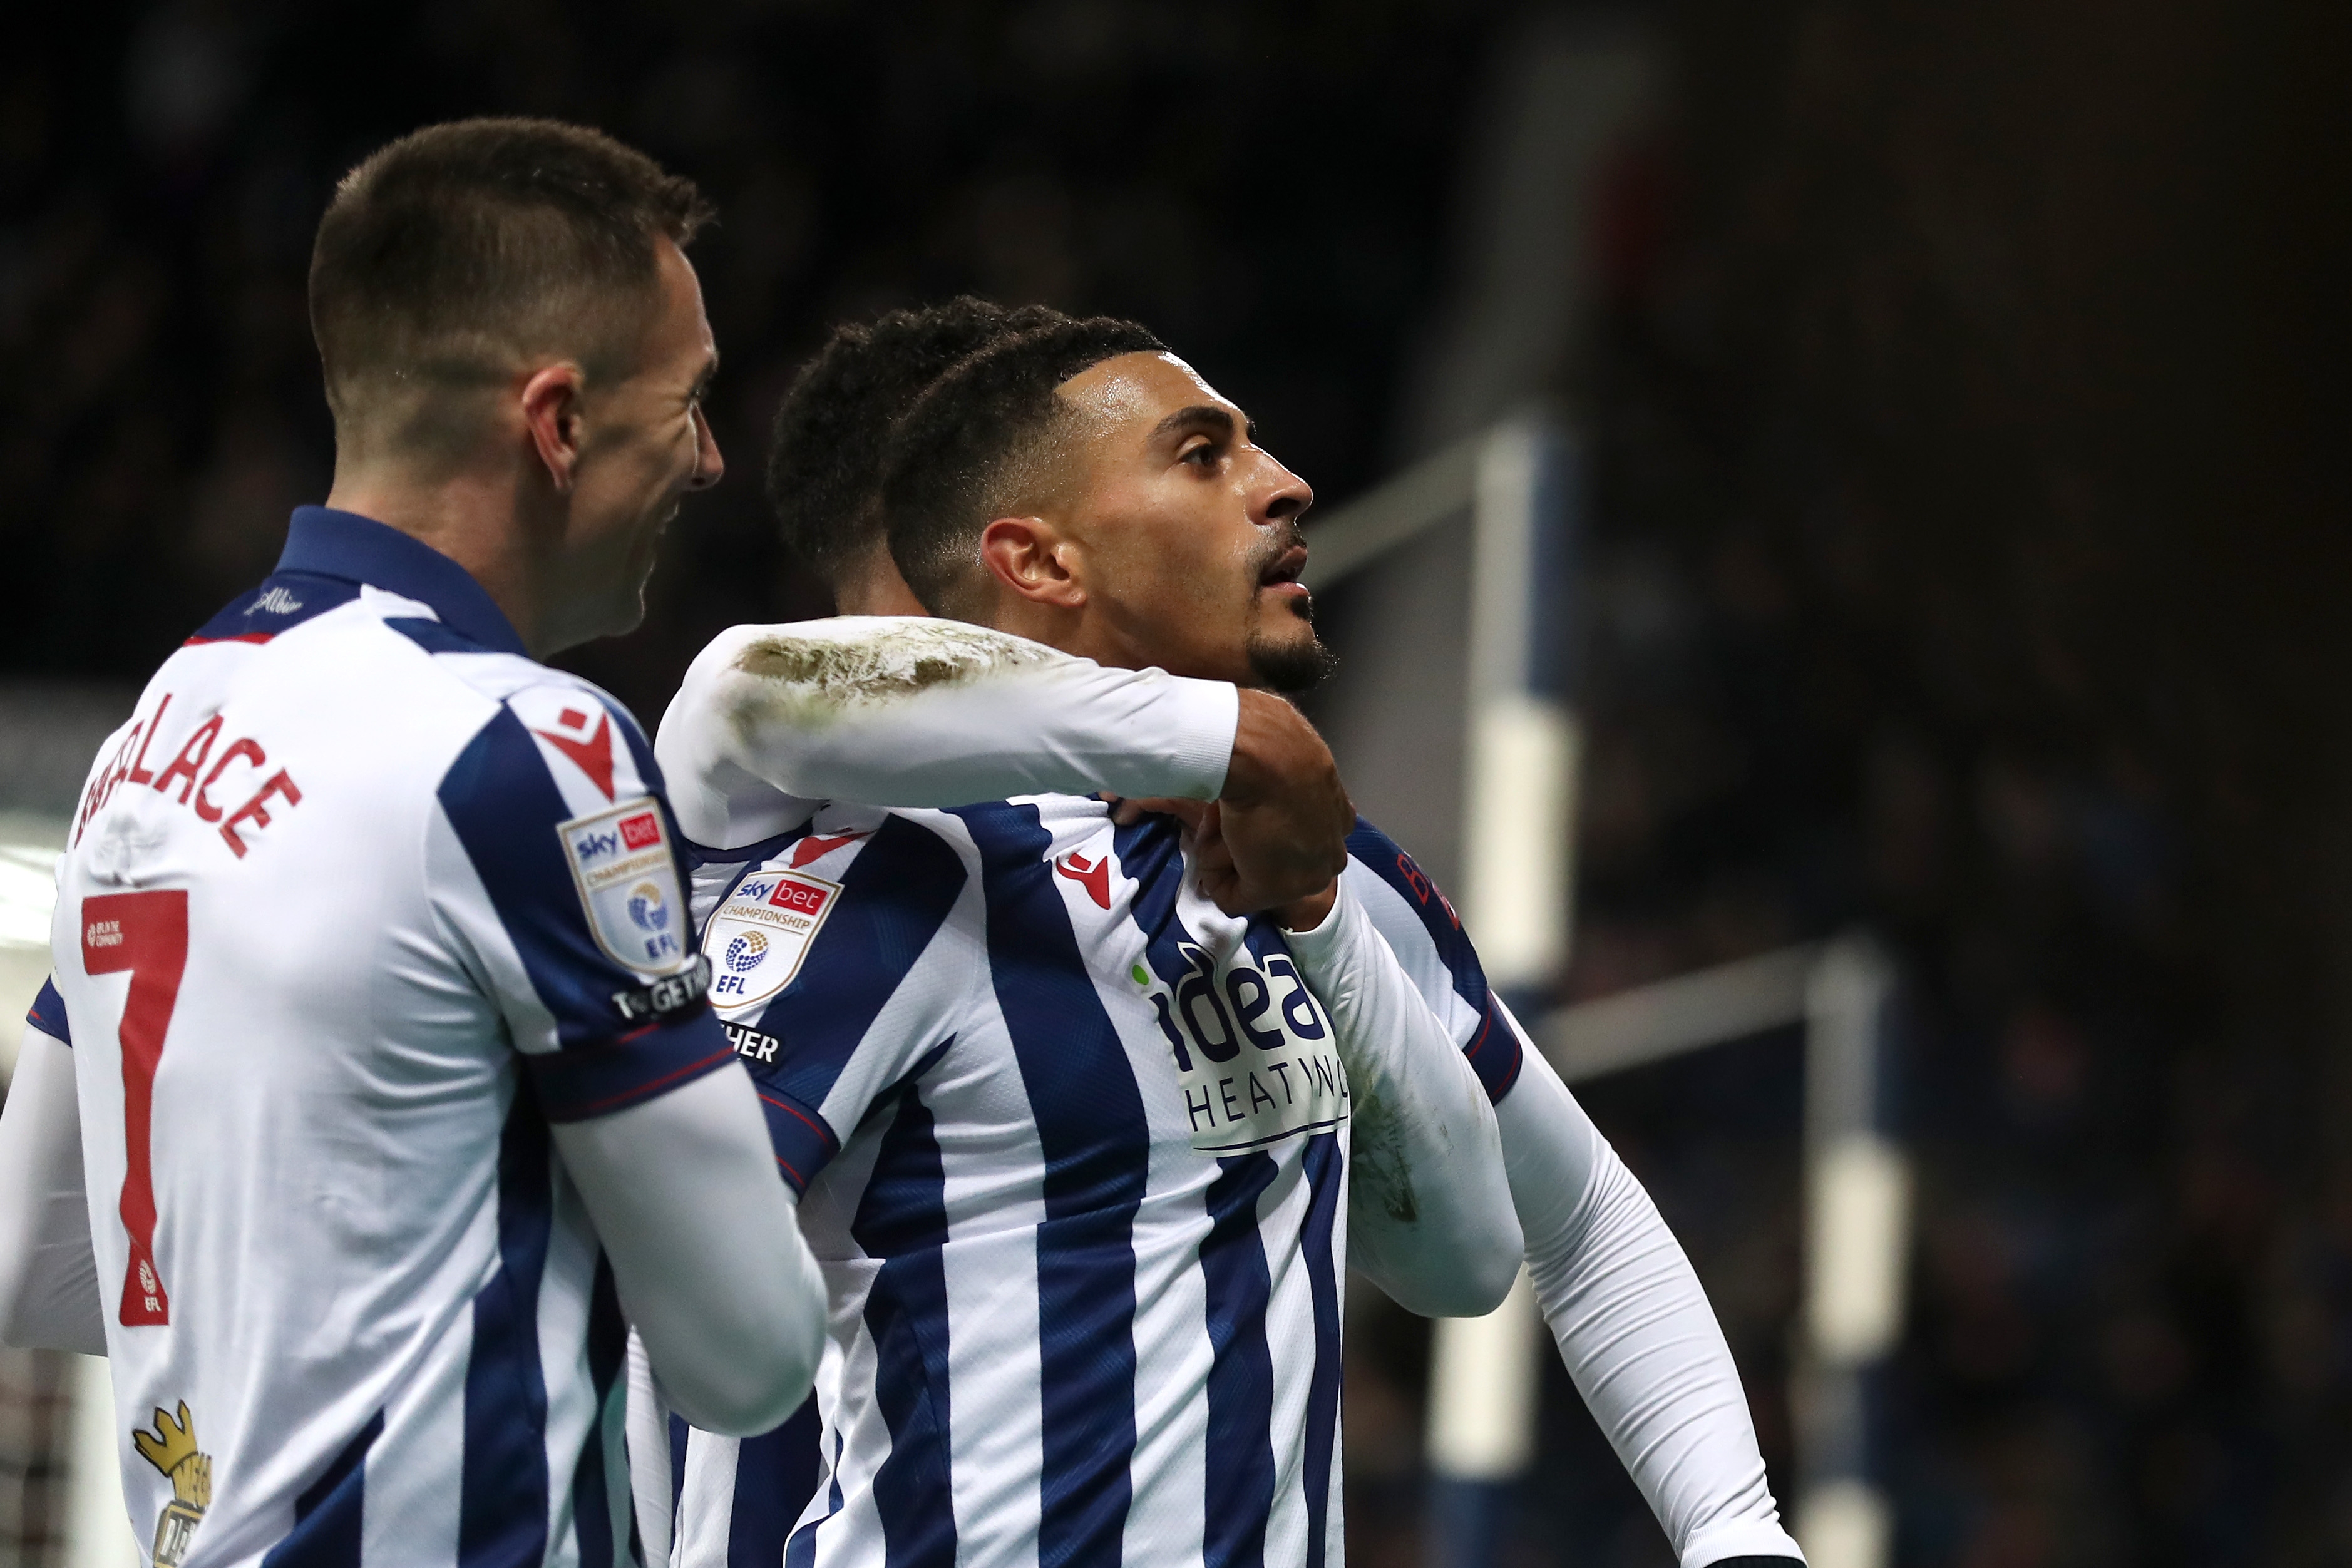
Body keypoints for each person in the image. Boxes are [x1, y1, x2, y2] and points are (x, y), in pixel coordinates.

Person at [650, 300, 1808, 1568]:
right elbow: (743, 699)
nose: (1285, 483)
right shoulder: (878, 857)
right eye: (1202, 454)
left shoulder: (1322, 875)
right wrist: (1222, 734)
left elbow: (1519, 1238)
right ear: (1030, 556)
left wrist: (1738, 1531)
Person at [0, 118, 826, 1568]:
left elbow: (33, 1260)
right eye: (689, 401)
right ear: (555, 420)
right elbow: (748, 1355)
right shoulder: (524, 741)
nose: (709, 457)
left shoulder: (169, 711)